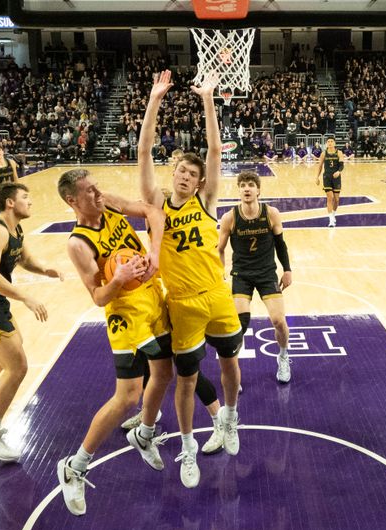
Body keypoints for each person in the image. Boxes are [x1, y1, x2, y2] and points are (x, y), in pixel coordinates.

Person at [138, 70, 242, 488]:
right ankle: (187, 447)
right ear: (173, 172)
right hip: (181, 302)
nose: (184, 175)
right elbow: (144, 150)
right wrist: (154, 100)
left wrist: (208, 100)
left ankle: (230, 420)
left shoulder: (208, 202)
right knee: (186, 379)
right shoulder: (156, 205)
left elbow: (215, 150)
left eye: (191, 173)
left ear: (199, 182)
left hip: (217, 293)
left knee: (231, 363)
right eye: (179, 169)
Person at [54, 168, 173, 516]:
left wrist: (153, 250)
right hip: (125, 318)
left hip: (153, 301)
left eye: (96, 187)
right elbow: (99, 298)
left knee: (164, 374)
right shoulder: (78, 244)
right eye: (88, 192)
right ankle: (74, 466)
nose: (97, 193)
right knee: (128, 397)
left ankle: (144, 434)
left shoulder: (110, 205)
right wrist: (118, 279)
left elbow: (154, 212)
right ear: (72, 201)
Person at [0, 182, 63, 463]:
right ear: (9, 202)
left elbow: (24, 259)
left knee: (14, 345)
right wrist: (26, 298)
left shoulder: (15, 229)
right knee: (18, 367)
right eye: (25, 198)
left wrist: (45, 270)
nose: (30, 202)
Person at [217, 171, 292, 383]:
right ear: (239, 190)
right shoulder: (230, 217)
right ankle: (233, 374)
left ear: (258, 190)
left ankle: (284, 356)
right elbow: (220, 249)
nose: (246, 188)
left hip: (267, 273)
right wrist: (220, 274)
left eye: (250, 184)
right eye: (242, 185)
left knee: (278, 320)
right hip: (242, 274)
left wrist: (287, 270)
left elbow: (280, 244)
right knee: (240, 324)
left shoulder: (271, 213)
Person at [315, 137, 343, 227]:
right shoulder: (323, 154)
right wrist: (317, 177)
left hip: (336, 178)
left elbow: (342, 166)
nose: (330, 143)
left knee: (337, 199)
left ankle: (333, 214)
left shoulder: (339, 153)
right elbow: (320, 166)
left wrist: (339, 172)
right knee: (329, 197)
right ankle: (331, 220)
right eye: (328, 142)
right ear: (326, 143)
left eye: (331, 141)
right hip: (327, 177)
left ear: (334, 143)